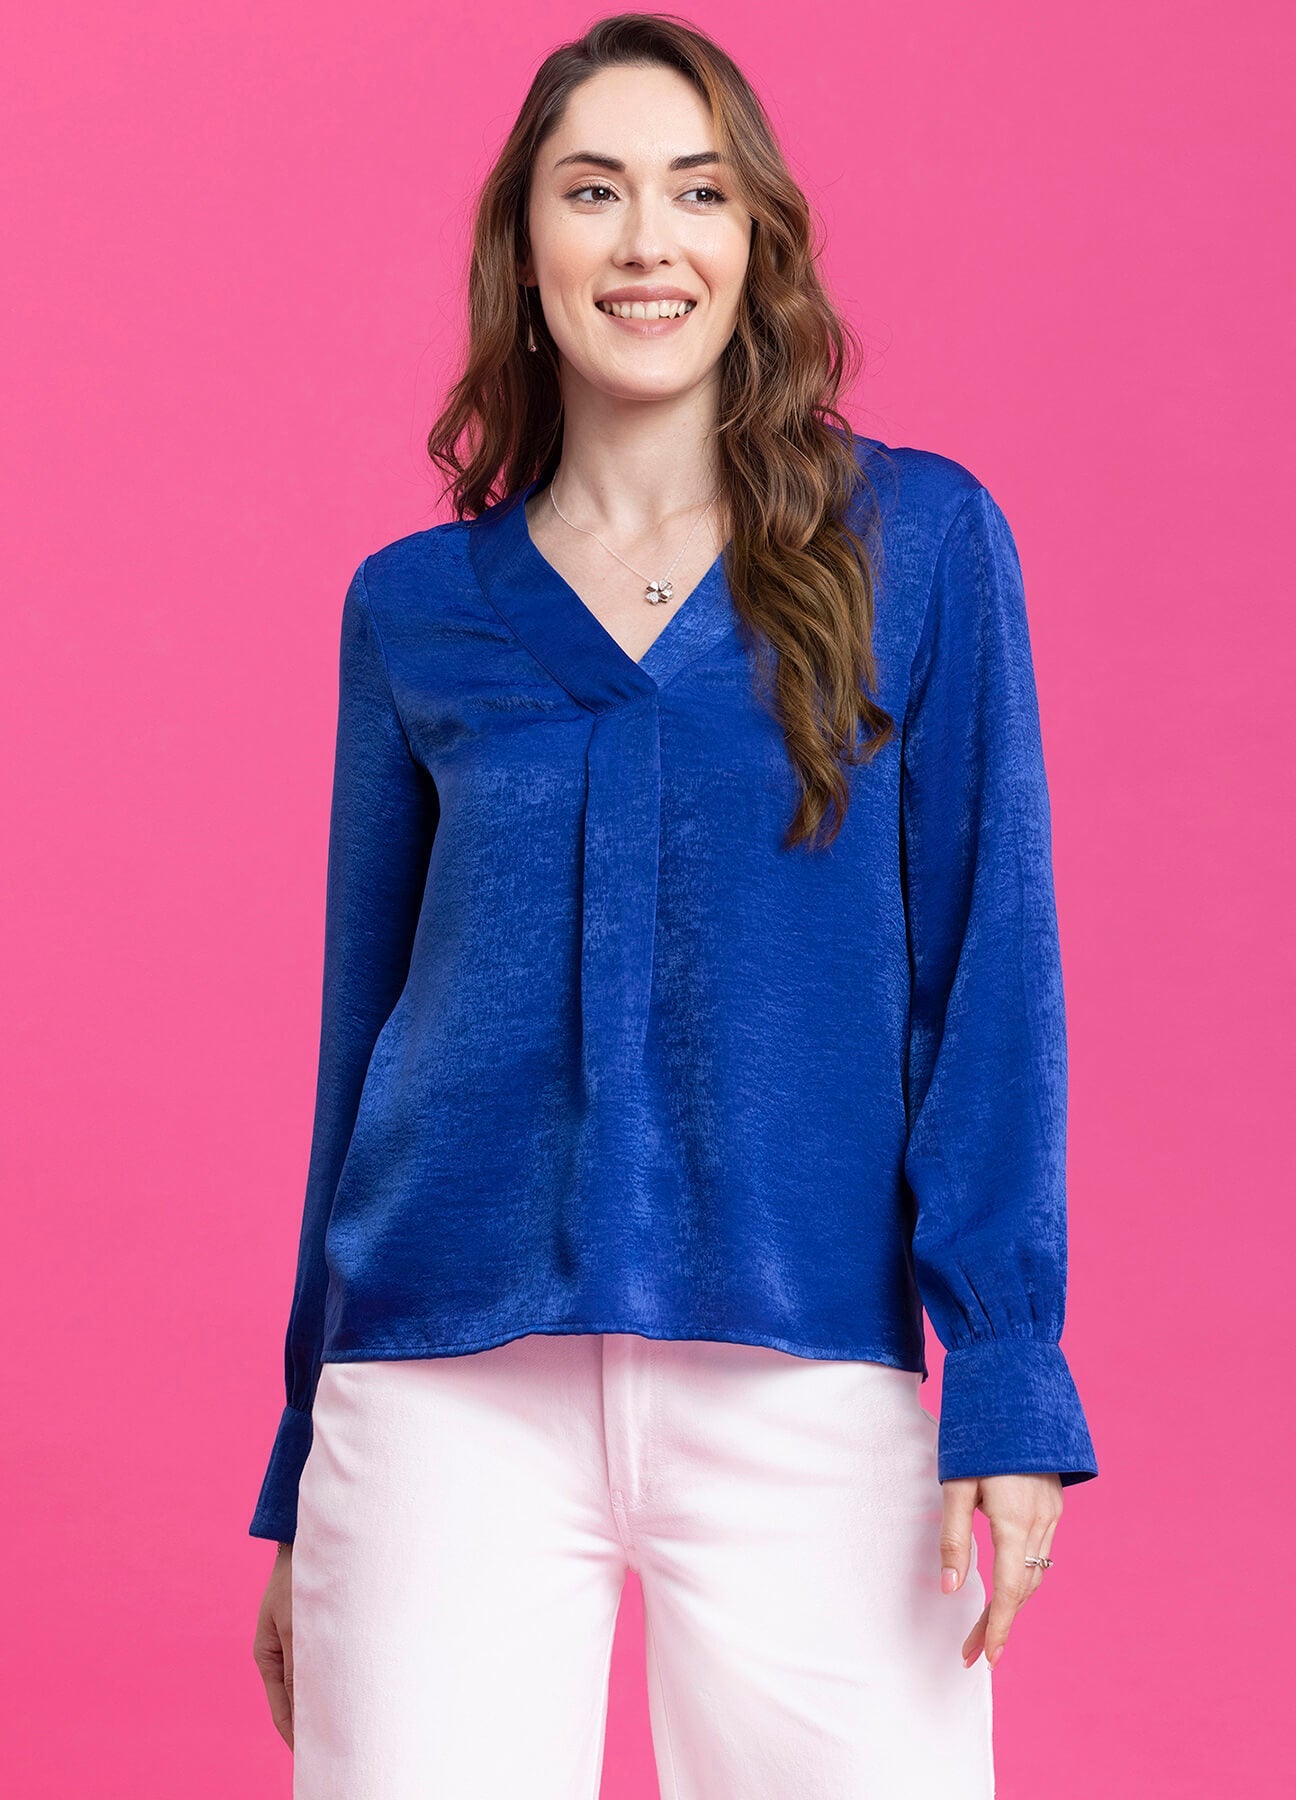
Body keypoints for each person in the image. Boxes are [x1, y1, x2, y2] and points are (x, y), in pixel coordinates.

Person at [250, 13, 1098, 1796]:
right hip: (438, 1391)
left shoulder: (918, 547)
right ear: (524, 248)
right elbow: (360, 1036)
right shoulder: (413, 607)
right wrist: (296, 1457)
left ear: (754, 237)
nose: (648, 240)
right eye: (594, 192)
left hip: (802, 1373)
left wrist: (1008, 1371)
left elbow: (985, 974)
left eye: (696, 192)